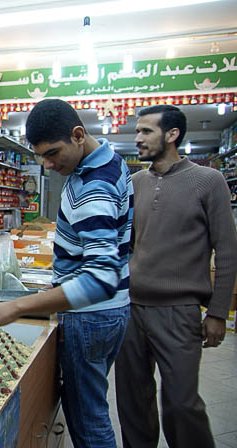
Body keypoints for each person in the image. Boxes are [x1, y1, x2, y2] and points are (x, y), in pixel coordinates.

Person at [0, 98, 133, 448]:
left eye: (53, 153)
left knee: (89, 420)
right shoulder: (109, 162)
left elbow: (100, 278)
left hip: (91, 317)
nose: (49, 165)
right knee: (88, 407)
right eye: (41, 157)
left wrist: (19, 306)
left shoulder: (93, 187)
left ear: (78, 135)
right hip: (110, 313)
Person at [115, 105, 237, 448]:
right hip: (132, 308)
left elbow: (226, 252)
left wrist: (217, 313)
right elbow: (126, 245)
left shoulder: (208, 181)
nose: (137, 138)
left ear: (172, 135)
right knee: (133, 401)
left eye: (146, 131)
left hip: (179, 310)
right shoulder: (134, 182)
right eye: (137, 131)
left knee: (182, 404)